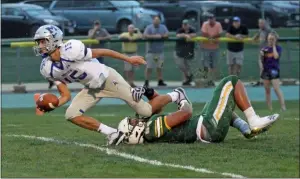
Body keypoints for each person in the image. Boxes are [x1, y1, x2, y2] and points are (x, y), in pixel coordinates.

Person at [33, 25, 183, 145]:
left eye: (42, 41)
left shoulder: (71, 49)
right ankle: (112, 133)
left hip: (108, 79)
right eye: (39, 42)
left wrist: (129, 59)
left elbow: (103, 52)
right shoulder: (46, 68)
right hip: (91, 88)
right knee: (71, 115)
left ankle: (175, 94)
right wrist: (53, 105)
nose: (40, 45)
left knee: (146, 111)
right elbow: (66, 95)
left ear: (54, 40)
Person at [115, 75, 279, 145]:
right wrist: (182, 99)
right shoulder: (150, 130)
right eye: (132, 122)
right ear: (133, 133)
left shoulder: (149, 131)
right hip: (208, 128)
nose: (135, 119)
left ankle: (245, 129)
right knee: (231, 82)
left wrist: (148, 91)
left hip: (206, 130)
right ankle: (254, 120)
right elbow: (186, 113)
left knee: (213, 104)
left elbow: (156, 106)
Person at [260, 32, 286, 111]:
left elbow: (276, 56)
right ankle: (269, 108)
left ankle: (283, 106)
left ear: (275, 39)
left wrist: (274, 45)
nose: (270, 41)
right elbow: (261, 61)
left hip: (274, 70)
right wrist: (261, 55)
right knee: (267, 90)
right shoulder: (264, 49)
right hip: (266, 70)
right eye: (269, 39)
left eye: (272, 39)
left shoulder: (278, 48)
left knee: (276, 88)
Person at [143, 15, 169, 87]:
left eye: (158, 20)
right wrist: (154, 36)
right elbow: (145, 35)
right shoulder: (149, 27)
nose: (156, 21)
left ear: (160, 21)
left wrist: (161, 36)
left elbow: (167, 34)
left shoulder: (163, 27)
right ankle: (146, 81)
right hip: (150, 52)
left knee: (160, 67)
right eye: (155, 20)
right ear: (153, 20)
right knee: (149, 67)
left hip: (160, 51)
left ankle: (160, 81)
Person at [200, 14, 223, 87]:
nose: (210, 20)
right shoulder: (205, 24)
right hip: (206, 47)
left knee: (213, 65)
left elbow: (220, 34)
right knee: (206, 65)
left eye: (212, 18)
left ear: (214, 19)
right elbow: (204, 33)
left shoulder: (218, 24)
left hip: (215, 48)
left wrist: (212, 37)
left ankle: (211, 80)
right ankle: (207, 80)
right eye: (209, 18)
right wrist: (210, 38)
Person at [252, 19, 273, 87]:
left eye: (262, 23)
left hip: (267, 51)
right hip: (261, 51)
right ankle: (262, 81)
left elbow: (275, 36)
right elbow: (255, 37)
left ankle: (267, 80)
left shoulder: (268, 30)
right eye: (259, 23)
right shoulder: (260, 30)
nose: (260, 25)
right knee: (261, 66)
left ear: (265, 24)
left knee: (265, 66)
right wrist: (254, 38)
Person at [175, 19, 196, 86]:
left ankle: (186, 80)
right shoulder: (180, 30)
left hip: (189, 51)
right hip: (180, 51)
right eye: (184, 24)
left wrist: (189, 35)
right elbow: (178, 35)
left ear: (188, 25)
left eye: (186, 24)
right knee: (180, 65)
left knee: (188, 66)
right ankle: (188, 76)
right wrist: (185, 35)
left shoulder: (192, 30)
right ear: (182, 25)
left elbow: (194, 34)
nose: (185, 26)